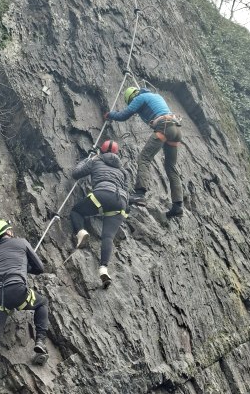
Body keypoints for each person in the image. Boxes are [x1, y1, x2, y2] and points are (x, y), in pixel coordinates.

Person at [0, 220, 49, 394]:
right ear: (9, 232)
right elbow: (40, 267)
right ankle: (40, 341)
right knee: (42, 302)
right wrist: (23, 266)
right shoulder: (21, 242)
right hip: (16, 289)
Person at [105, 86, 184, 217]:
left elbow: (124, 115)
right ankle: (177, 206)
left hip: (164, 127)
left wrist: (110, 115)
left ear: (132, 97)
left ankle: (139, 194)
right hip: (176, 129)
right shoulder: (155, 96)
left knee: (144, 158)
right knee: (171, 167)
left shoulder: (139, 98)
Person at [70, 139, 129, 288]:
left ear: (101, 151)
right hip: (120, 201)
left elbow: (76, 173)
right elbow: (127, 189)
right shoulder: (122, 170)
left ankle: (81, 232)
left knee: (76, 211)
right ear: (117, 154)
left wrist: (88, 158)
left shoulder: (96, 160)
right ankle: (103, 268)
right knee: (108, 237)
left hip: (102, 194)